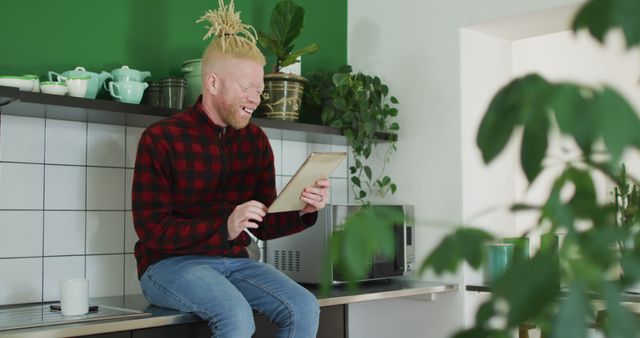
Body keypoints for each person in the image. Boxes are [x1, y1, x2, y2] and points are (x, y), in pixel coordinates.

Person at [131, 2, 329, 337]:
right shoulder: (161, 139)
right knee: (235, 314)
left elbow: (263, 224)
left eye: (260, 89)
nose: (256, 98)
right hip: (168, 266)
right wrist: (223, 225)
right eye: (246, 88)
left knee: (304, 306)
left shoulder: (255, 140)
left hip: (236, 262)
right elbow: (152, 230)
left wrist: (303, 209)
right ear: (212, 83)